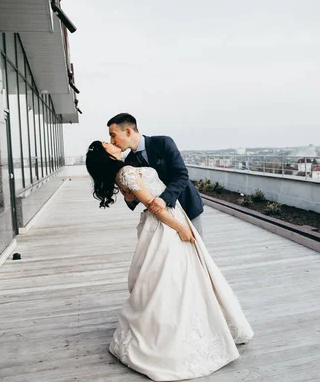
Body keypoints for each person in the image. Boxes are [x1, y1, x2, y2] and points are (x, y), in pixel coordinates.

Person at [86, 140, 253, 381]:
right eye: (107, 142)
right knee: (172, 279)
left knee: (180, 278)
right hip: (167, 225)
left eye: (111, 137)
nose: (111, 142)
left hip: (170, 219)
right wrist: (180, 228)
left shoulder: (124, 169)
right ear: (105, 154)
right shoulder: (124, 172)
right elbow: (153, 206)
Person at [107, 113, 205, 237]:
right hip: (164, 218)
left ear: (128, 131)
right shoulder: (129, 163)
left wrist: (164, 199)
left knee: (195, 250)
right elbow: (138, 195)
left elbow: (181, 175)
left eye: (113, 135)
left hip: (187, 206)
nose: (112, 141)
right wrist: (129, 199)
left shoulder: (163, 142)